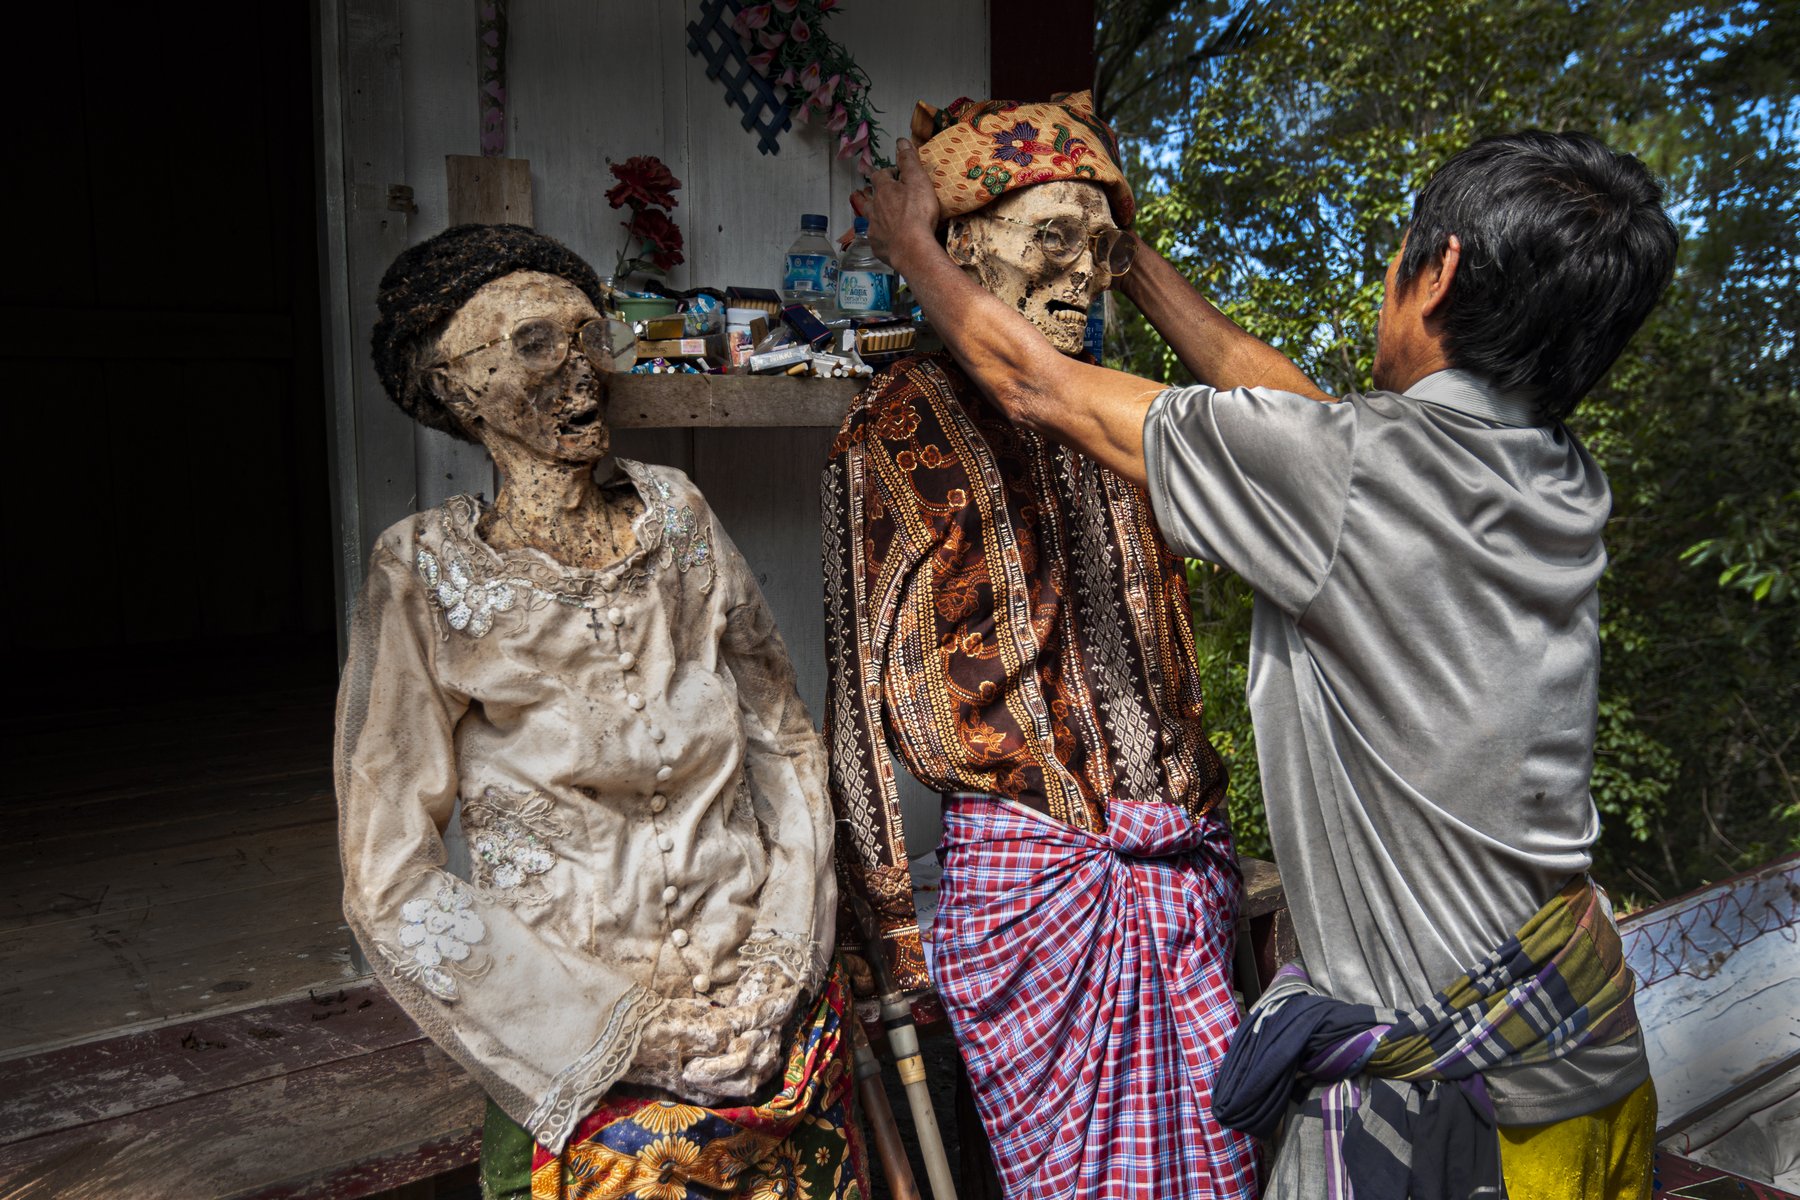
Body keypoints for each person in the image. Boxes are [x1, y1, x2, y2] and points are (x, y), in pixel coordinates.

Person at [864, 129, 1678, 1199]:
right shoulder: (1547, 474)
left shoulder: (1351, 478)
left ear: (1436, 272)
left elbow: (1037, 386)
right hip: (1591, 1061)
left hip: (1473, 1121)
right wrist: (1132, 261)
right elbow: (1303, 420)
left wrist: (910, 245)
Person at [340, 223, 862, 1200]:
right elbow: (388, 878)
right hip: (590, 1057)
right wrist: (630, 1035)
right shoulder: (421, 575)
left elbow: (784, 742)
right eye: (536, 342)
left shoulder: (678, 518)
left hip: (772, 1033)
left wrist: (779, 970)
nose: (582, 367)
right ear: (454, 387)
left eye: (591, 336)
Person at [824, 91, 1256, 1199]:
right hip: (1037, 894)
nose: (1083, 272)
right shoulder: (900, 421)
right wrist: (887, 929)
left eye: (1104, 249)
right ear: (966, 247)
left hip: (1179, 876)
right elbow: (856, 695)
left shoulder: (1128, 417)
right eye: (1051, 237)